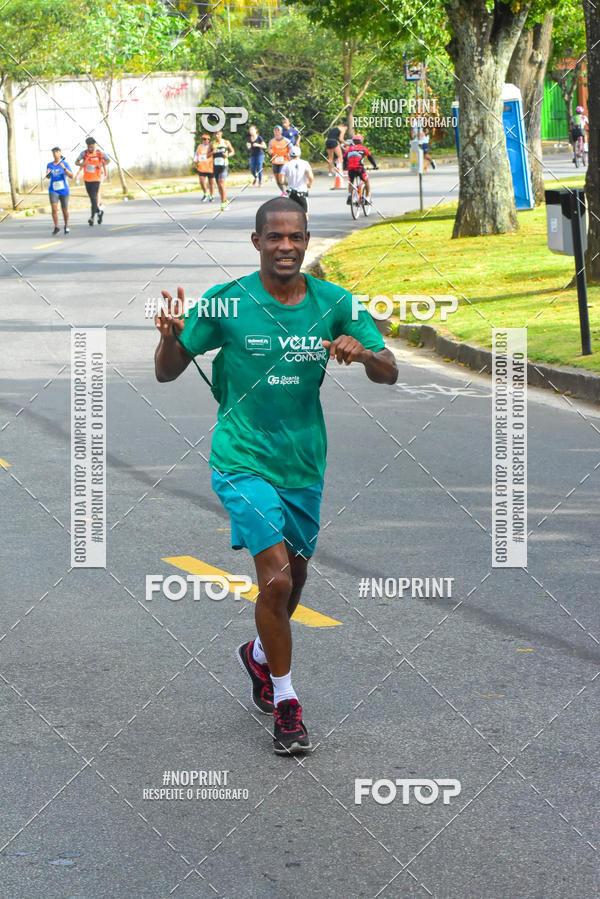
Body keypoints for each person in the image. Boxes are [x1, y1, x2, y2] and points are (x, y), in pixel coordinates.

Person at [154, 197, 398, 755]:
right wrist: (171, 337)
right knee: (278, 579)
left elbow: (390, 372)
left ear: (307, 240)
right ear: (257, 242)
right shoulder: (229, 303)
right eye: (275, 237)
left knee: (298, 576)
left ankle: (259, 655)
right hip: (240, 456)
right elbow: (167, 373)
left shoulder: (334, 302)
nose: (286, 246)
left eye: (296, 237)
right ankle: (287, 702)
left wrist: (362, 353)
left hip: (304, 461)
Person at [76, 137, 109, 226]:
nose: (91, 148)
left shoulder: (100, 153)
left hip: (96, 178)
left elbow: (108, 160)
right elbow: (76, 162)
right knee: (92, 199)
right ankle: (99, 212)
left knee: (94, 197)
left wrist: (101, 164)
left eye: (92, 146)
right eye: (89, 147)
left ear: (95, 145)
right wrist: (81, 164)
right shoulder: (83, 153)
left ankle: (91, 217)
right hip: (87, 179)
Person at [343, 134, 378, 205]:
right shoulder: (363, 148)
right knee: (366, 181)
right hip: (359, 168)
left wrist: (345, 167)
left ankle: (350, 195)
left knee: (351, 182)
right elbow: (370, 157)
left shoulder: (349, 149)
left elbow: (344, 158)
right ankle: (367, 198)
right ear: (361, 141)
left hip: (350, 169)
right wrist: (375, 166)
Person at [45, 147, 73, 234]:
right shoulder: (49, 164)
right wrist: (48, 174)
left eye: (57, 152)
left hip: (64, 190)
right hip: (53, 190)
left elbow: (71, 176)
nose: (55, 154)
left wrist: (64, 168)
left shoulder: (65, 164)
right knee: (54, 208)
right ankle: (56, 226)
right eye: (53, 152)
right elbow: (48, 177)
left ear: (60, 153)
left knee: (64, 209)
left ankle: (66, 225)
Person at [281, 146, 313, 218]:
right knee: (305, 214)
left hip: (291, 192)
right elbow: (311, 177)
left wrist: (286, 183)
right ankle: (303, 228)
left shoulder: (286, 165)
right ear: (300, 154)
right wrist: (309, 184)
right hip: (302, 193)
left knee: (291, 213)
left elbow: (281, 180)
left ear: (290, 154)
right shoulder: (305, 163)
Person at [208, 130, 235, 210]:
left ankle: (223, 203)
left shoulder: (226, 142)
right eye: (215, 134)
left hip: (224, 166)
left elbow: (232, 151)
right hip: (216, 167)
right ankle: (224, 200)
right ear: (214, 134)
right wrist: (212, 152)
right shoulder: (212, 144)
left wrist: (227, 155)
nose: (217, 136)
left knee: (221, 183)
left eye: (218, 134)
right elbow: (207, 155)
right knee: (219, 186)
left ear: (221, 134)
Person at [268, 126, 293, 196]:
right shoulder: (271, 141)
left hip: (284, 161)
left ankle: (289, 188)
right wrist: (270, 151)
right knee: (277, 179)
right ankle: (283, 191)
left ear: (281, 132)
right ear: (273, 132)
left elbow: (292, 149)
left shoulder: (286, 140)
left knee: (281, 177)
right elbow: (269, 150)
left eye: (278, 130)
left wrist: (289, 153)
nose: (276, 132)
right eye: (275, 131)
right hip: (275, 162)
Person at [194, 133, 215, 202]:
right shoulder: (199, 146)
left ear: (209, 140)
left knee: (211, 182)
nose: (205, 140)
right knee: (202, 182)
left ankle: (212, 195)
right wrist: (195, 162)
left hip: (210, 167)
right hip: (201, 167)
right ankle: (205, 194)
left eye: (206, 139)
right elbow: (196, 155)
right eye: (203, 139)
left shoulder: (211, 146)